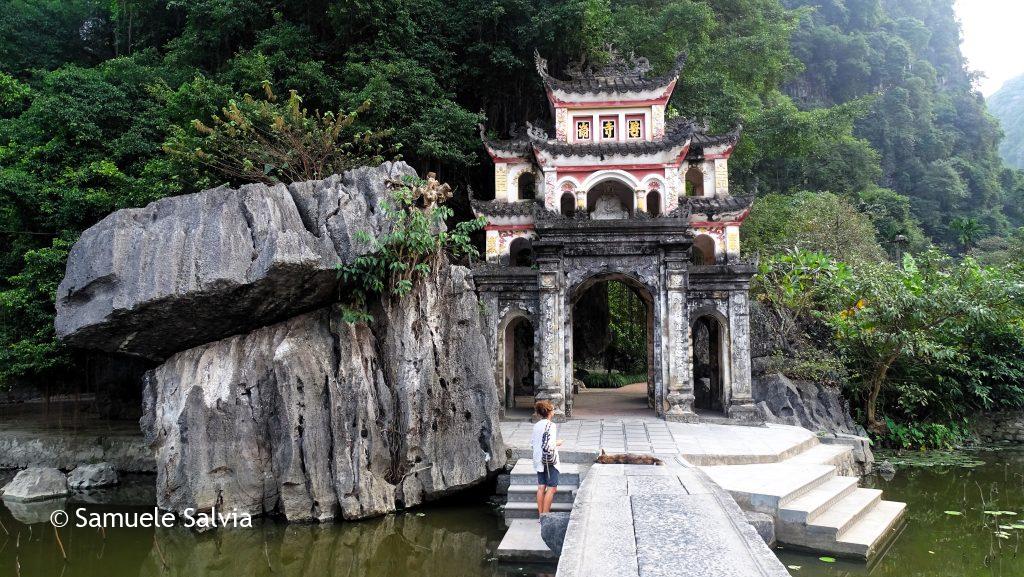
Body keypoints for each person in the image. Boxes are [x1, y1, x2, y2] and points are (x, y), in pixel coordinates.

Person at [530, 400, 562, 517]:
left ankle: (540, 515)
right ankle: (545, 516)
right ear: (549, 412)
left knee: (541, 487)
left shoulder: (536, 426)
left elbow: (532, 443)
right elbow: (550, 445)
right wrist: (559, 442)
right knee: (552, 488)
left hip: (538, 459)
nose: (553, 412)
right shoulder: (551, 425)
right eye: (553, 410)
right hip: (549, 460)